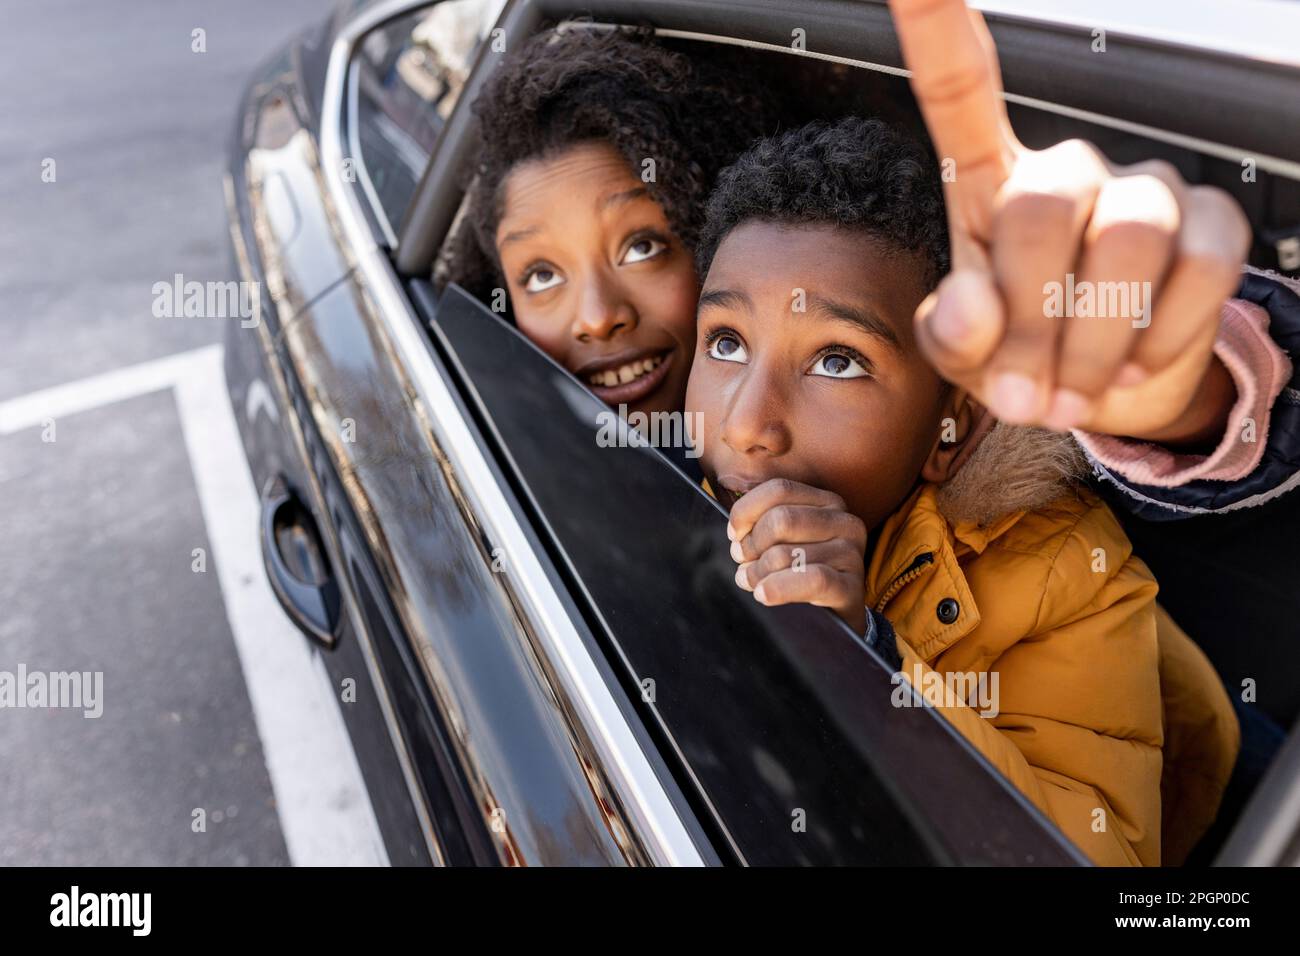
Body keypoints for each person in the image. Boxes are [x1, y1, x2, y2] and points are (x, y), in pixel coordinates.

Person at [686, 115, 1238, 867]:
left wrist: (868, 657)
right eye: (725, 343)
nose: (748, 422)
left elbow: (1100, 854)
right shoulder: (678, 485)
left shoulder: (1067, 577)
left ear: (956, 425)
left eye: (838, 361)